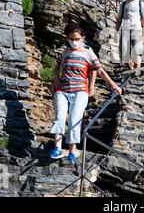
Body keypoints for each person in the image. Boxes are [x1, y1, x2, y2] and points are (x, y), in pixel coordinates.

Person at [49, 23, 122, 164]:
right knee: (59, 117)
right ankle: (57, 147)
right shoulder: (65, 52)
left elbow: (99, 70)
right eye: (71, 38)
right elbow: (57, 67)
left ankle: (72, 150)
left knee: (74, 120)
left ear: (83, 38)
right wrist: (56, 78)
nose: (74, 41)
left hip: (80, 92)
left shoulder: (89, 53)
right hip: (62, 90)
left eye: (76, 38)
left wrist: (113, 85)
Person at [115, 0, 144, 75]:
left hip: (137, 29)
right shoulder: (124, 4)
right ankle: (131, 70)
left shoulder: (141, 4)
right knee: (124, 55)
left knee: (137, 53)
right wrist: (115, 32)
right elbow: (119, 19)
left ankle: (136, 71)